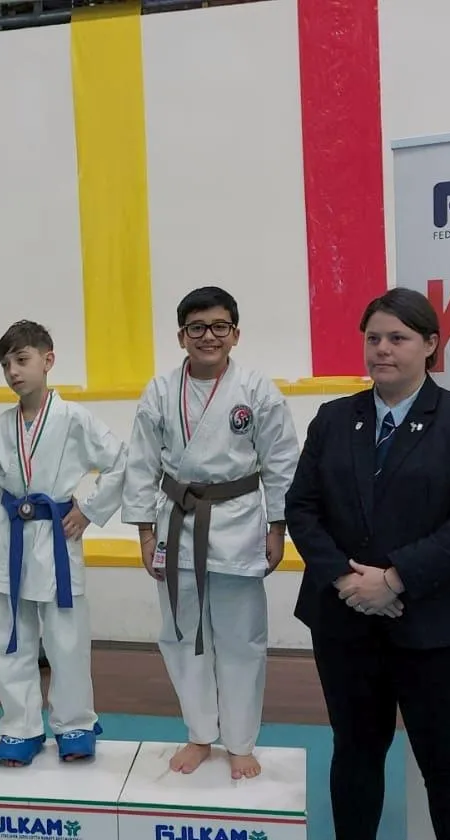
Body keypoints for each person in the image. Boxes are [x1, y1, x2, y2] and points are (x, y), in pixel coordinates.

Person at [284, 287, 450, 840]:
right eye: (373, 338)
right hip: (345, 621)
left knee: (449, 763)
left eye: (398, 338)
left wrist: (393, 579)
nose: (382, 349)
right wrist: (347, 580)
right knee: (355, 753)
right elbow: (302, 508)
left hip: (440, 628)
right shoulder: (334, 419)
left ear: (431, 345)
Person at [121, 286, 298, 780]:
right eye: (196, 328)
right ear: (181, 336)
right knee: (181, 636)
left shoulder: (257, 391)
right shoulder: (160, 391)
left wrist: (278, 527)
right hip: (177, 525)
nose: (208, 337)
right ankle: (199, 734)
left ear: (235, 334)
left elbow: (281, 462)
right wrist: (144, 534)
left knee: (241, 639)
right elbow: (140, 465)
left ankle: (240, 741)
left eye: (220, 326)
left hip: (239, 523)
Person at [0, 321, 127, 766]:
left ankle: (74, 724)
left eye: (22, 360)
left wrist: (89, 510)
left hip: (56, 537)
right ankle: (20, 727)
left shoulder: (74, 418)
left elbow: (120, 462)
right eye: (6, 365)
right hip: (10, 541)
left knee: (66, 639)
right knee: (10, 637)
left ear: (48, 360)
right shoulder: (0, 427)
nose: (14, 372)